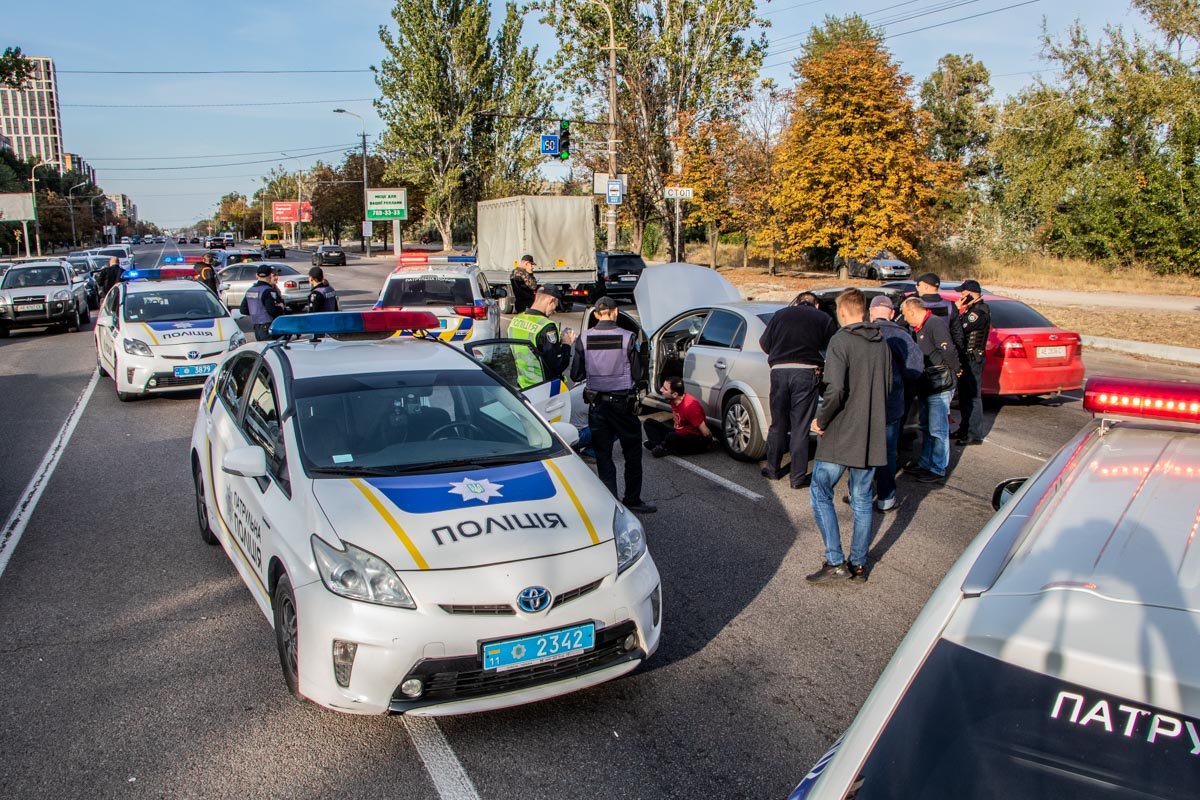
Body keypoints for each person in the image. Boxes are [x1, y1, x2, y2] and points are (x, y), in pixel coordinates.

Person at [806, 289, 891, 584]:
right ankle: (858, 564)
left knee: (819, 491)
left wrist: (821, 419)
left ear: (842, 312)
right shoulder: (882, 343)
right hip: (871, 432)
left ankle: (835, 561)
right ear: (864, 311)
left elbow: (835, 389)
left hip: (842, 432)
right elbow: (887, 386)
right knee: (863, 500)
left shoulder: (840, 340)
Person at [571, 296, 656, 514]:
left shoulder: (584, 338)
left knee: (603, 455)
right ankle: (632, 500)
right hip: (623, 406)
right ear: (615, 312)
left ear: (597, 314)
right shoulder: (628, 338)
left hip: (597, 406)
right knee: (632, 454)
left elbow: (576, 374)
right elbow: (638, 375)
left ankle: (611, 502)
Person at [758, 288, 838, 487]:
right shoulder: (823, 318)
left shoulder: (780, 315)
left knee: (778, 424)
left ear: (797, 302)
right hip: (806, 372)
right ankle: (797, 478)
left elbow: (765, 344)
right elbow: (833, 347)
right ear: (816, 304)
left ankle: (773, 469)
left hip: (779, 371)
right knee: (800, 427)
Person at [868, 295, 923, 511]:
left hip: (864, 404)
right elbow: (916, 368)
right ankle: (886, 498)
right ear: (892, 313)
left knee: (861, 450)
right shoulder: (902, 336)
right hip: (891, 404)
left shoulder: (860, 333)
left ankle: (858, 495)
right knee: (888, 452)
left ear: (871, 313)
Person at [900, 297, 961, 484]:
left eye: (904, 314)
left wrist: (955, 369)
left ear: (911, 311)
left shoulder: (934, 324)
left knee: (937, 429)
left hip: (939, 384)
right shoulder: (919, 327)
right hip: (927, 384)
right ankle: (925, 463)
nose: (904, 318)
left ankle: (937, 468)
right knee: (925, 426)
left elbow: (948, 350)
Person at [507, 285, 575, 387]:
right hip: (544, 388)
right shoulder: (546, 326)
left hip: (523, 385)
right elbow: (557, 366)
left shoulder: (516, 320)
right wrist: (567, 344)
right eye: (555, 306)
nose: (554, 311)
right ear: (551, 301)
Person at [953, 279, 990, 446]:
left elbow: (962, 328)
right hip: (966, 358)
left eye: (963, 292)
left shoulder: (979, 311)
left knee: (972, 397)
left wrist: (956, 311)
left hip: (973, 359)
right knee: (964, 396)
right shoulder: (971, 310)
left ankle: (974, 434)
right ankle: (964, 428)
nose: (961, 295)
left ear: (970, 294)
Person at [642, 377, 712, 458]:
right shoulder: (673, 400)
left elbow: (706, 433)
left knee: (671, 436)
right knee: (649, 423)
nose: (661, 390)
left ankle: (664, 448)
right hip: (679, 433)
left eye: (665, 389)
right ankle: (660, 445)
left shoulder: (690, 406)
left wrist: (710, 441)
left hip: (692, 440)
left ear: (675, 394)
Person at [916, 272, 965, 353]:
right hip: (944, 353)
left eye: (918, 285)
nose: (917, 288)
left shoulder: (914, 305)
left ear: (925, 286)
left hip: (920, 354)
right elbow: (958, 334)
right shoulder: (950, 305)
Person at [239, 265, 286, 341]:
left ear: (257, 275)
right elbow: (272, 310)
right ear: (270, 275)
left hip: (257, 327)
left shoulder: (250, 290)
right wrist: (281, 307)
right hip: (269, 326)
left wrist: (256, 313)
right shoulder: (268, 291)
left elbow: (243, 310)